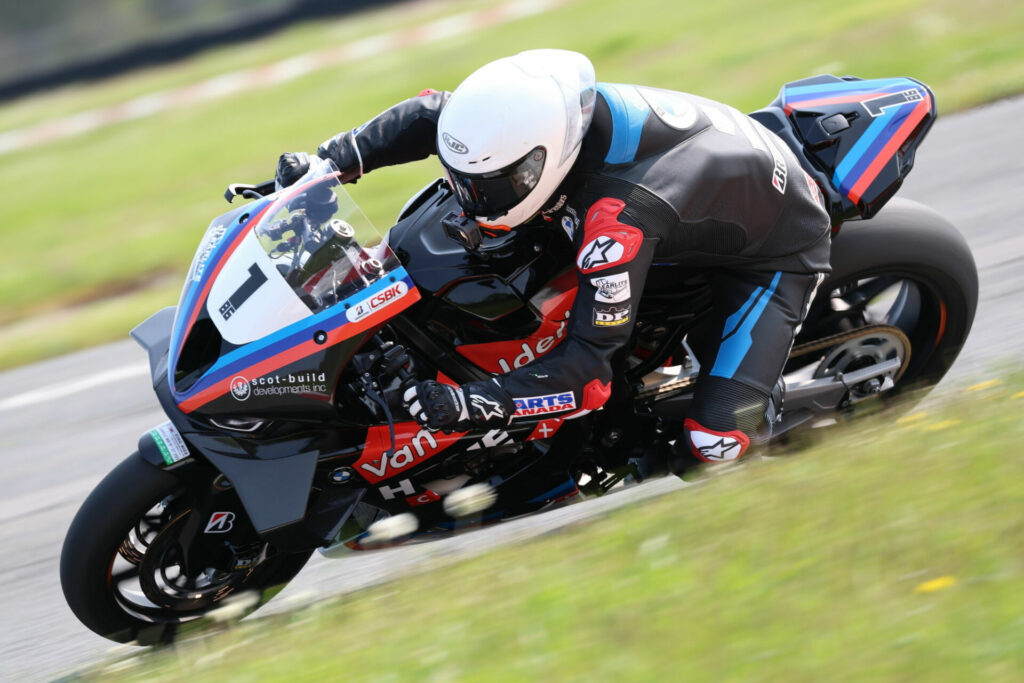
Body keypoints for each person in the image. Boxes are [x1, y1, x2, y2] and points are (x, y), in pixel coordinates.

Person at [274, 49, 831, 469]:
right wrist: (327, 164)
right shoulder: (540, 119)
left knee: (716, 445)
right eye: (461, 180)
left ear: (545, 161)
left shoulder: (618, 223)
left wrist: (471, 403)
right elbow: (430, 116)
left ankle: (786, 424)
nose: (469, 202)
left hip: (774, 250)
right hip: (696, 197)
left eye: (488, 187)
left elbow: (588, 370)